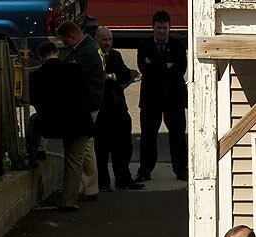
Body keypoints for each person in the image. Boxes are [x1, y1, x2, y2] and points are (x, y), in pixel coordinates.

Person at [28, 41, 94, 213]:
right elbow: (87, 94)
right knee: (74, 161)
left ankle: (34, 153)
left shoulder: (36, 76)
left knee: (33, 121)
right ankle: (69, 202)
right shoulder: (75, 69)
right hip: (78, 121)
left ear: (40, 56)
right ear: (57, 52)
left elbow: (34, 101)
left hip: (51, 123)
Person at [134, 10, 188, 183]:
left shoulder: (178, 45)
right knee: (148, 136)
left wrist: (157, 67)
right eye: (158, 28)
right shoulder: (144, 45)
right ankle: (145, 170)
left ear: (170, 27)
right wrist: (166, 67)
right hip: (151, 99)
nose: (161, 31)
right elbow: (144, 69)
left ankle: (181, 170)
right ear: (153, 27)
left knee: (178, 136)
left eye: (164, 28)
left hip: (173, 98)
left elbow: (180, 70)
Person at [56, 20, 105, 201]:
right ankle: (90, 186)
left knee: (83, 148)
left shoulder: (85, 53)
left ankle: (88, 187)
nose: (65, 45)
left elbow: (70, 74)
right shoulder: (90, 45)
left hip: (87, 105)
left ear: (72, 36)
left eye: (65, 41)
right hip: (91, 103)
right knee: (87, 147)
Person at [94, 26, 143, 191]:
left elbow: (124, 74)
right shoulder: (94, 57)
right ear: (97, 40)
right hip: (102, 110)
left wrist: (113, 77)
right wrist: (111, 77)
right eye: (104, 39)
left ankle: (123, 179)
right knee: (102, 149)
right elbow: (99, 78)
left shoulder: (115, 55)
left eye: (109, 39)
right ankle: (103, 182)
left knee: (123, 147)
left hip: (118, 108)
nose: (107, 43)